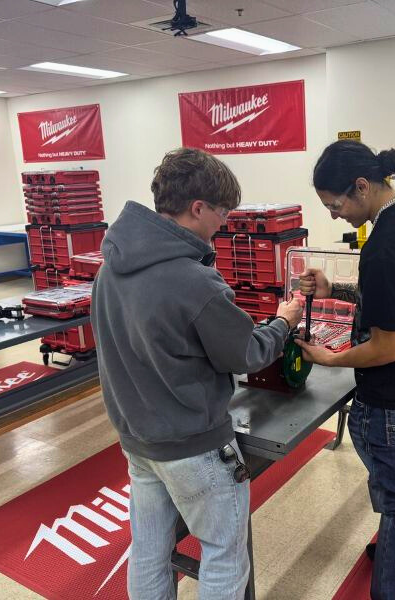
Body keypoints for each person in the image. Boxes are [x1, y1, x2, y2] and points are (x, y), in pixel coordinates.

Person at [91, 147, 303, 600]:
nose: (223, 223)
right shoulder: (193, 281)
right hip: (195, 446)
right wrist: (283, 322)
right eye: (222, 212)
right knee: (223, 552)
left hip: (139, 441)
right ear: (198, 207)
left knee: (148, 549)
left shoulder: (109, 270)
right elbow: (246, 353)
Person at [296, 140, 395, 600]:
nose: (332, 215)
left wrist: (329, 358)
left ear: (361, 187)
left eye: (334, 204)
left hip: (392, 400)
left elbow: (384, 348)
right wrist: (334, 288)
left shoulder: (384, 245)